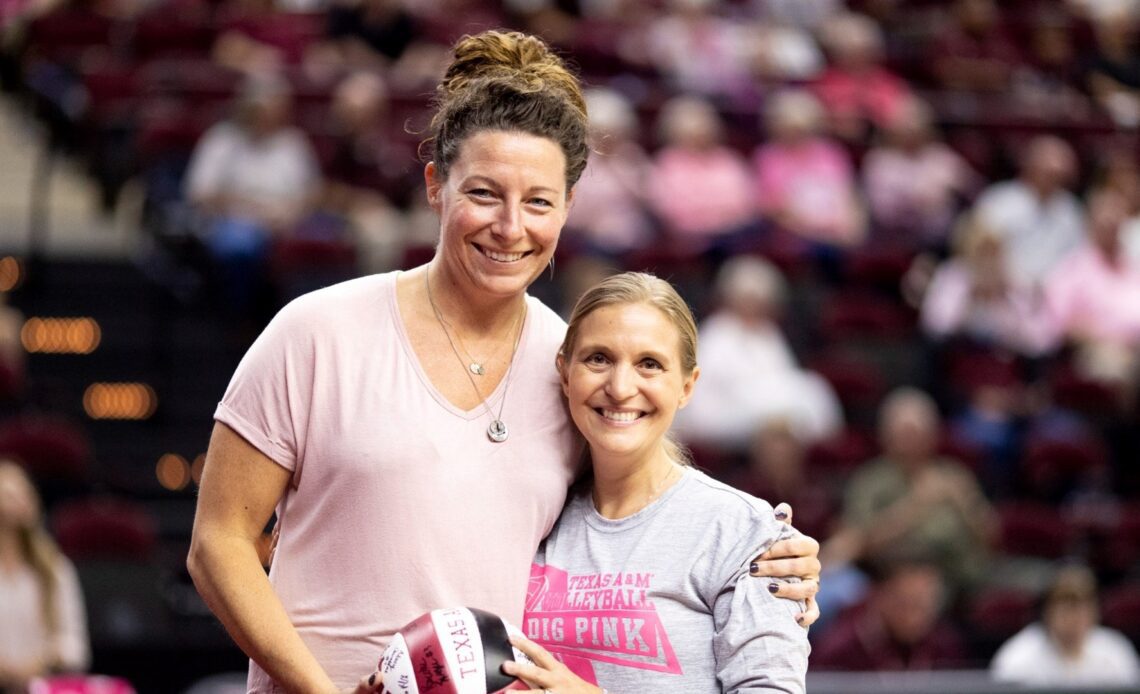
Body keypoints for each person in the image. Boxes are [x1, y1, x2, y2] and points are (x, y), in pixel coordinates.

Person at [187, 29, 821, 694]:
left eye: (539, 202)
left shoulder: (572, 371)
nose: (511, 227)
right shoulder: (315, 332)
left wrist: (762, 553)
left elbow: (642, 499)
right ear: (436, 185)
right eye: (485, 193)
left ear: (568, 208)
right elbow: (219, 545)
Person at [504, 272, 809, 692]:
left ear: (687, 386)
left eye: (649, 364)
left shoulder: (746, 532)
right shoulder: (525, 515)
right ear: (565, 371)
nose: (620, 387)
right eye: (598, 359)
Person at [0, 460, 90, 693]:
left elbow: (75, 646)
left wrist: (42, 661)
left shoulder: (55, 569)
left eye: (21, 494)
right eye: (7, 496)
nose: (14, 504)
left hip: (41, 685)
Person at [991, 563, 1140, 687]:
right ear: (1046, 612)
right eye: (1066, 609)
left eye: (1082, 608)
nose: (1074, 618)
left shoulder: (1116, 652)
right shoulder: (1017, 657)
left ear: (1096, 612)